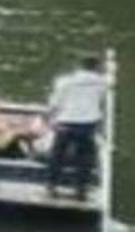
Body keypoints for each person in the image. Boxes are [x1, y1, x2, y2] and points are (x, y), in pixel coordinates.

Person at [46, 54, 110, 199]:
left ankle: (52, 185)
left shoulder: (64, 82)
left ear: (79, 66)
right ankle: (81, 189)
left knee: (57, 155)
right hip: (87, 125)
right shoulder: (103, 82)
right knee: (84, 157)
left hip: (65, 122)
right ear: (97, 67)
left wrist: (50, 118)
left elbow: (55, 103)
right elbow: (108, 84)